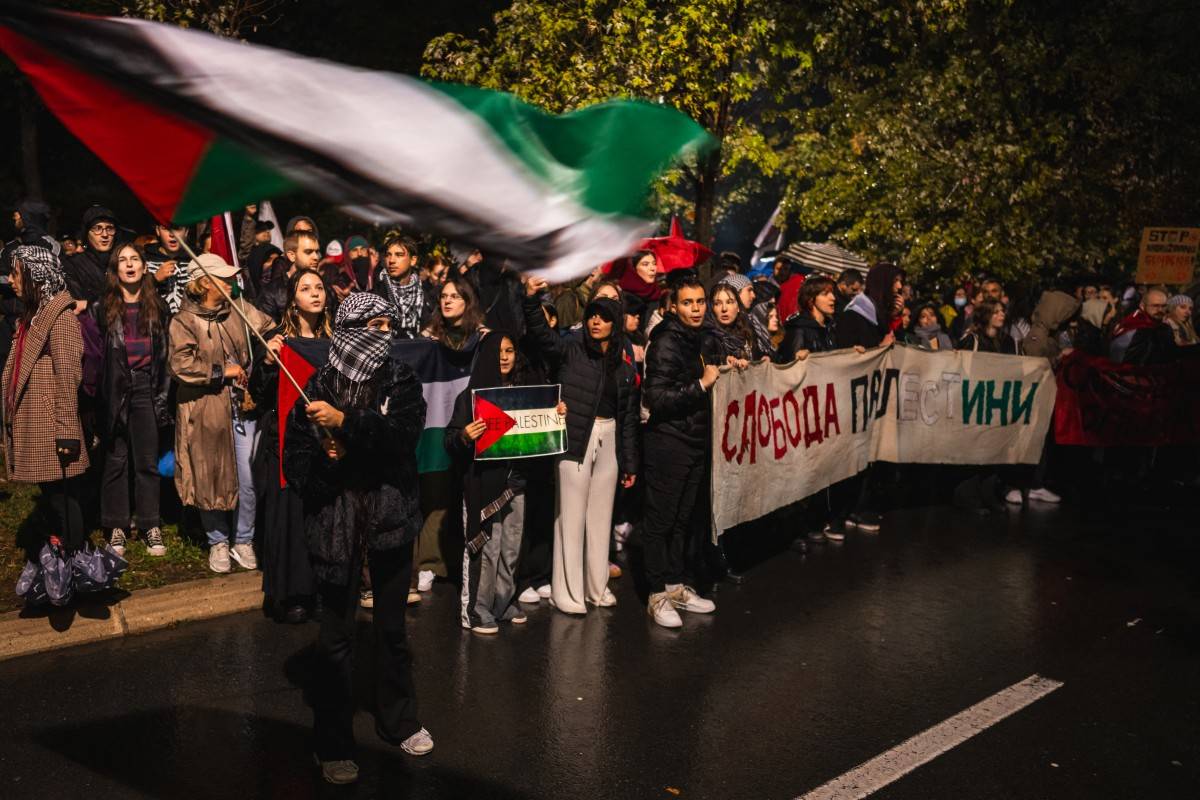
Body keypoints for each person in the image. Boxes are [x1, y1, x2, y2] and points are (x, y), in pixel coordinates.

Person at [283, 292, 432, 780]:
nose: (385, 333)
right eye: (376, 323)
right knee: (335, 640)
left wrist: (349, 422)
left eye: (390, 324)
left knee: (391, 630)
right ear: (350, 329)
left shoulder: (400, 379)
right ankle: (332, 741)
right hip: (336, 530)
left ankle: (398, 719)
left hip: (390, 522)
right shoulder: (315, 388)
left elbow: (404, 437)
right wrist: (330, 462)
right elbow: (298, 470)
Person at [523, 280, 640, 614]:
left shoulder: (624, 355)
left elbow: (629, 414)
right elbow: (541, 334)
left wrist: (630, 463)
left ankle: (596, 587)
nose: (596, 321)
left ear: (616, 321)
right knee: (570, 518)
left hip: (610, 439)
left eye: (604, 316)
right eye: (592, 315)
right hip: (576, 439)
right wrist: (531, 299)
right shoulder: (571, 346)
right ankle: (568, 593)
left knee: (601, 518)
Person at [445, 331, 563, 632]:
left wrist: (555, 415)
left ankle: (502, 601)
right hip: (483, 486)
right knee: (488, 547)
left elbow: (541, 434)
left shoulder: (526, 393)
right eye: (498, 351)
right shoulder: (471, 396)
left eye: (510, 350)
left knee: (511, 546)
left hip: (517, 482)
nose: (504, 356)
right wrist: (464, 436)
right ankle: (476, 609)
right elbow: (449, 441)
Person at [168, 253, 276, 573]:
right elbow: (180, 365)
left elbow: (267, 330)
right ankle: (218, 541)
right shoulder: (183, 321)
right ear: (204, 283)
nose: (232, 282)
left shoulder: (239, 310)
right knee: (209, 477)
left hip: (243, 408)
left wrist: (270, 348)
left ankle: (244, 540)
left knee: (249, 477)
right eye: (224, 278)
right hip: (204, 410)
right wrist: (221, 371)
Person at [250, 267, 331, 624]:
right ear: (292, 299)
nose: (315, 293)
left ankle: (323, 587)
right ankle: (294, 592)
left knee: (324, 514)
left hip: (326, 439)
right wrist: (268, 363)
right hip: (286, 439)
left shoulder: (336, 338)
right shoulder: (278, 340)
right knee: (292, 516)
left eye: (319, 287)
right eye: (305, 288)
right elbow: (258, 391)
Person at [641, 273, 719, 629]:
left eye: (700, 301)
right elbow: (656, 399)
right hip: (668, 443)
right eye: (688, 302)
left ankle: (674, 585)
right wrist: (701, 386)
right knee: (661, 521)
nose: (696, 309)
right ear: (673, 306)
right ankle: (656, 593)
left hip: (694, 441)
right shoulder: (666, 342)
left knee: (683, 519)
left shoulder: (700, 337)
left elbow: (707, 372)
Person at [2, 246, 90, 552]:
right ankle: (62, 568)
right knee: (54, 502)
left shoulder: (59, 316)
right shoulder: (34, 316)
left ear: (35, 275)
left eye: (16, 273)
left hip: (53, 428)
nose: (11, 280)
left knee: (64, 501)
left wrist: (67, 432)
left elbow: (68, 376)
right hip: (38, 427)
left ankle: (77, 566)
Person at [96, 244, 172, 557]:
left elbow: (165, 355)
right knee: (116, 458)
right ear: (116, 269)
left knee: (147, 460)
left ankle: (149, 523)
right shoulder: (103, 307)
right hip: (116, 386)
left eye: (135, 260)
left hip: (146, 386)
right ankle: (116, 525)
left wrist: (161, 395)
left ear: (144, 267)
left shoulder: (159, 306)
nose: (129, 265)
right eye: (123, 260)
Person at [372, 234, 434, 339]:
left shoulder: (425, 294)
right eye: (388, 255)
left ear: (413, 260)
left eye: (399, 255)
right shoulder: (376, 295)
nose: (391, 260)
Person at [63, 206, 121, 309]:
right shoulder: (73, 265)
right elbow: (77, 304)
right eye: (97, 228)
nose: (105, 234)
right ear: (87, 233)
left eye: (110, 228)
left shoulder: (123, 262)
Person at [259, 231, 321, 321]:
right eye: (308, 252)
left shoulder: (326, 290)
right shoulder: (271, 293)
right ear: (292, 256)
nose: (316, 257)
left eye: (317, 252)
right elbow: (265, 330)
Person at [1109, 287, 1176, 365]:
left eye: (1163, 306)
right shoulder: (1134, 327)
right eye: (1155, 306)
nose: (1160, 310)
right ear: (1142, 306)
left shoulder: (1163, 327)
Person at [780, 275, 838, 361]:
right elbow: (788, 364)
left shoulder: (831, 326)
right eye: (825, 294)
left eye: (832, 293)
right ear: (810, 299)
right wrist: (796, 357)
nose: (833, 298)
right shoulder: (798, 329)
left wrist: (854, 353)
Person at [143, 224, 192, 314]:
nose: (172, 234)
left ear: (186, 231)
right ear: (158, 231)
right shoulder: (144, 259)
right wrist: (154, 279)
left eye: (177, 228)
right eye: (166, 228)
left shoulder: (196, 260)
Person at [1020, 291, 1079, 363]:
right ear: (1055, 313)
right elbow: (1035, 366)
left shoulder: (1047, 331)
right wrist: (1060, 356)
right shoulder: (1037, 335)